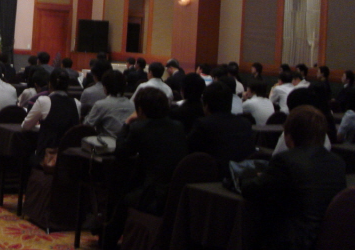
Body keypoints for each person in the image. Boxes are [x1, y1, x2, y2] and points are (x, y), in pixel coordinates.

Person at [241, 106, 346, 250]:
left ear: (288, 135)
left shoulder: (285, 160)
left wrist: (246, 176)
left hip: (291, 241)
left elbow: (251, 190)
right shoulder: (338, 163)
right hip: (329, 240)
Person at [102, 87, 187, 250]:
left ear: (140, 110)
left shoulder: (139, 128)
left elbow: (121, 151)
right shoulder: (178, 126)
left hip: (154, 196)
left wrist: (126, 123)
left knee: (120, 196)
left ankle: (107, 242)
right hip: (176, 194)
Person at [187, 81, 255, 178]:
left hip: (213, 179)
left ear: (206, 106)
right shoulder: (245, 124)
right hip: (243, 177)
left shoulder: (203, 124)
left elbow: (189, 151)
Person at [22, 69, 81, 164]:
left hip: (47, 157)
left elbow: (25, 126)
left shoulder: (43, 101)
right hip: (70, 158)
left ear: (50, 84)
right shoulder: (77, 103)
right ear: (68, 86)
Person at [84, 70, 135, 138]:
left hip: (107, 143)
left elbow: (86, 126)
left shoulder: (101, 105)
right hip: (128, 143)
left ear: (105, 87)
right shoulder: (133, 105)